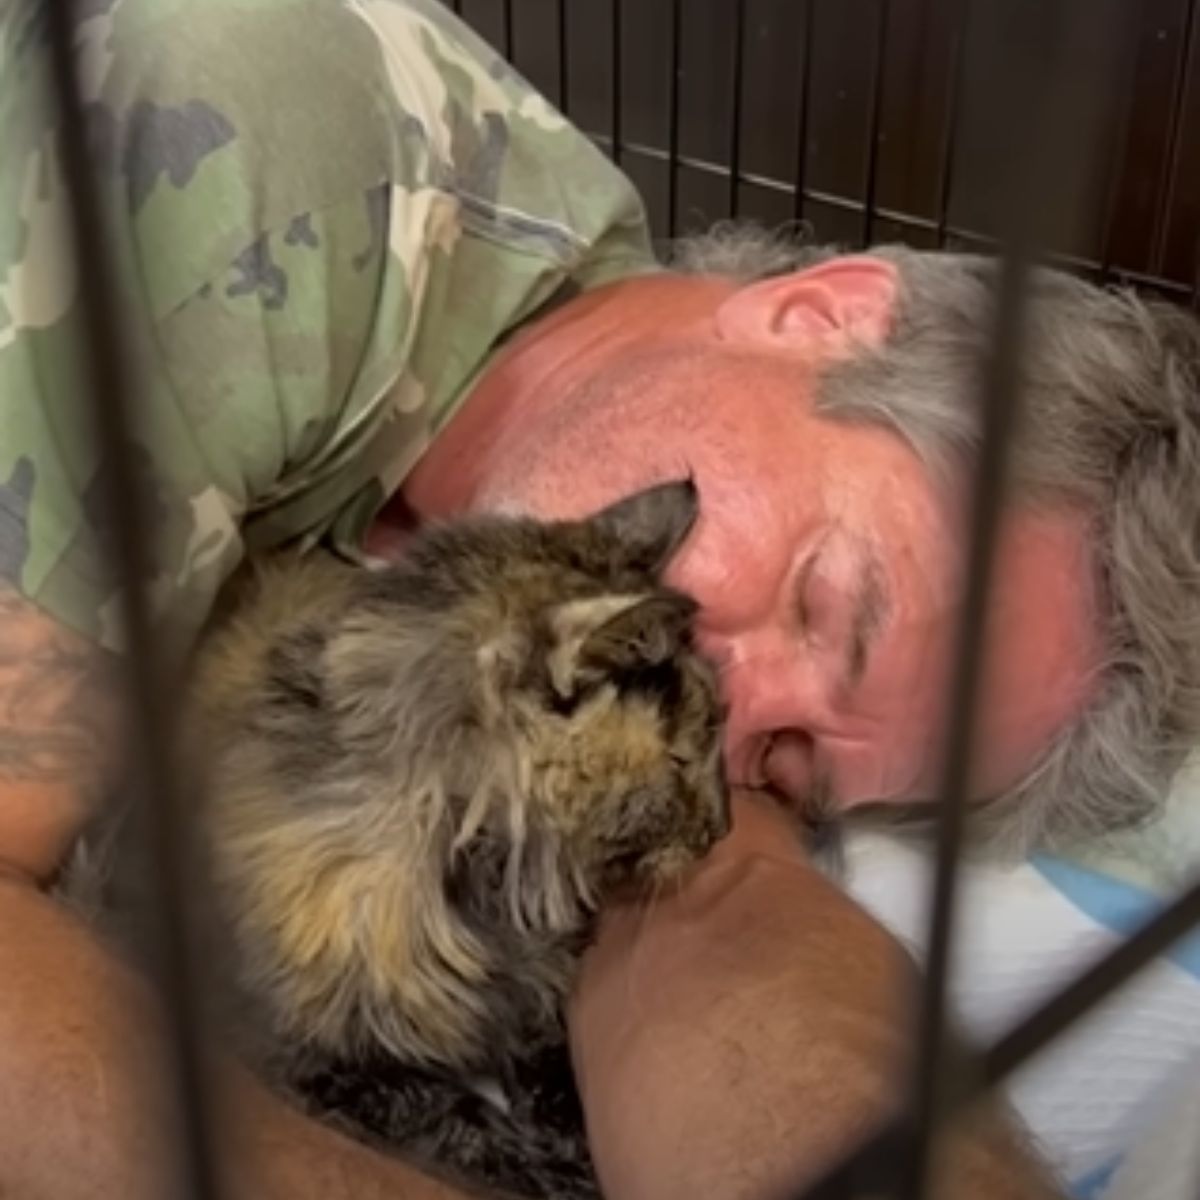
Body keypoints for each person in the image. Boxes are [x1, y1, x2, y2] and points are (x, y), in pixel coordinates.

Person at [2, 0, 1197, 1195]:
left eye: (789, 763)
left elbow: (718, 908)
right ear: (821, 312)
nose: (732, 715)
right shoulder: (258, 160)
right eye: (823, 603)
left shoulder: (599, 509)